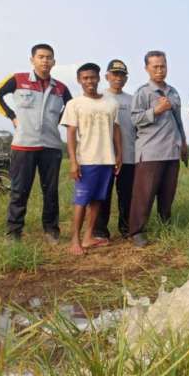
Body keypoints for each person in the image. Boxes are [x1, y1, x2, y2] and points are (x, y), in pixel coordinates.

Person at [0, 43, 72, 242]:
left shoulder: (61, 88)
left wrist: (57, 121)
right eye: (41, 57)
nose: (45, 60)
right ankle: (14, 232)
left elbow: (71, 108)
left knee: (50, 191)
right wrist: (12, 116)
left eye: (49, 57)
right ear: (32, 60)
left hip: (51, 146)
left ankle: (51, 231)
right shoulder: (18, 80)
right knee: (19, 190)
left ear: (54, 62)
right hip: (23, 145)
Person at [60, 63, 122, 256]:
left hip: (107, 159)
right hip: (86, 160)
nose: (89, 81)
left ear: (99, 78)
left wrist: (119, 154)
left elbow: (116, 129)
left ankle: (88, 237)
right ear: (79, 80)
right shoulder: (74, 104)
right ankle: (75, 241)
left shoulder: (111, 103)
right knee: (82, 200)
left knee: (97, 200)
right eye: (85, 78)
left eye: (92, 77)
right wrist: (73, 161)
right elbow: (71, 133)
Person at [129, 51, 187, 247]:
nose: (160, 70)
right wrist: (156, 110)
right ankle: (137, 231)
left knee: (167, 193)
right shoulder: (143, 93)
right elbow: (134, 119)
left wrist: (184, 143)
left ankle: (165, 226)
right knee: (144, 194)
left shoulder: (174, 92)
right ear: (147, 68)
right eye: (155, 67)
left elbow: (178, 121)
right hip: (151, 151)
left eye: (163, 66)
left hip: (172, 150)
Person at [94, 60, 136, 239]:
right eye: (114, 74)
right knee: (102, 195)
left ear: (126, 78)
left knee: (127, 195)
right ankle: (100, 231)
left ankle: (126, 229)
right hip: (104, 156)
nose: (118, 78)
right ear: (106, 77)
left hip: (128, 156)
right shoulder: (99, 98)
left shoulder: (132, 100)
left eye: (121, 75)